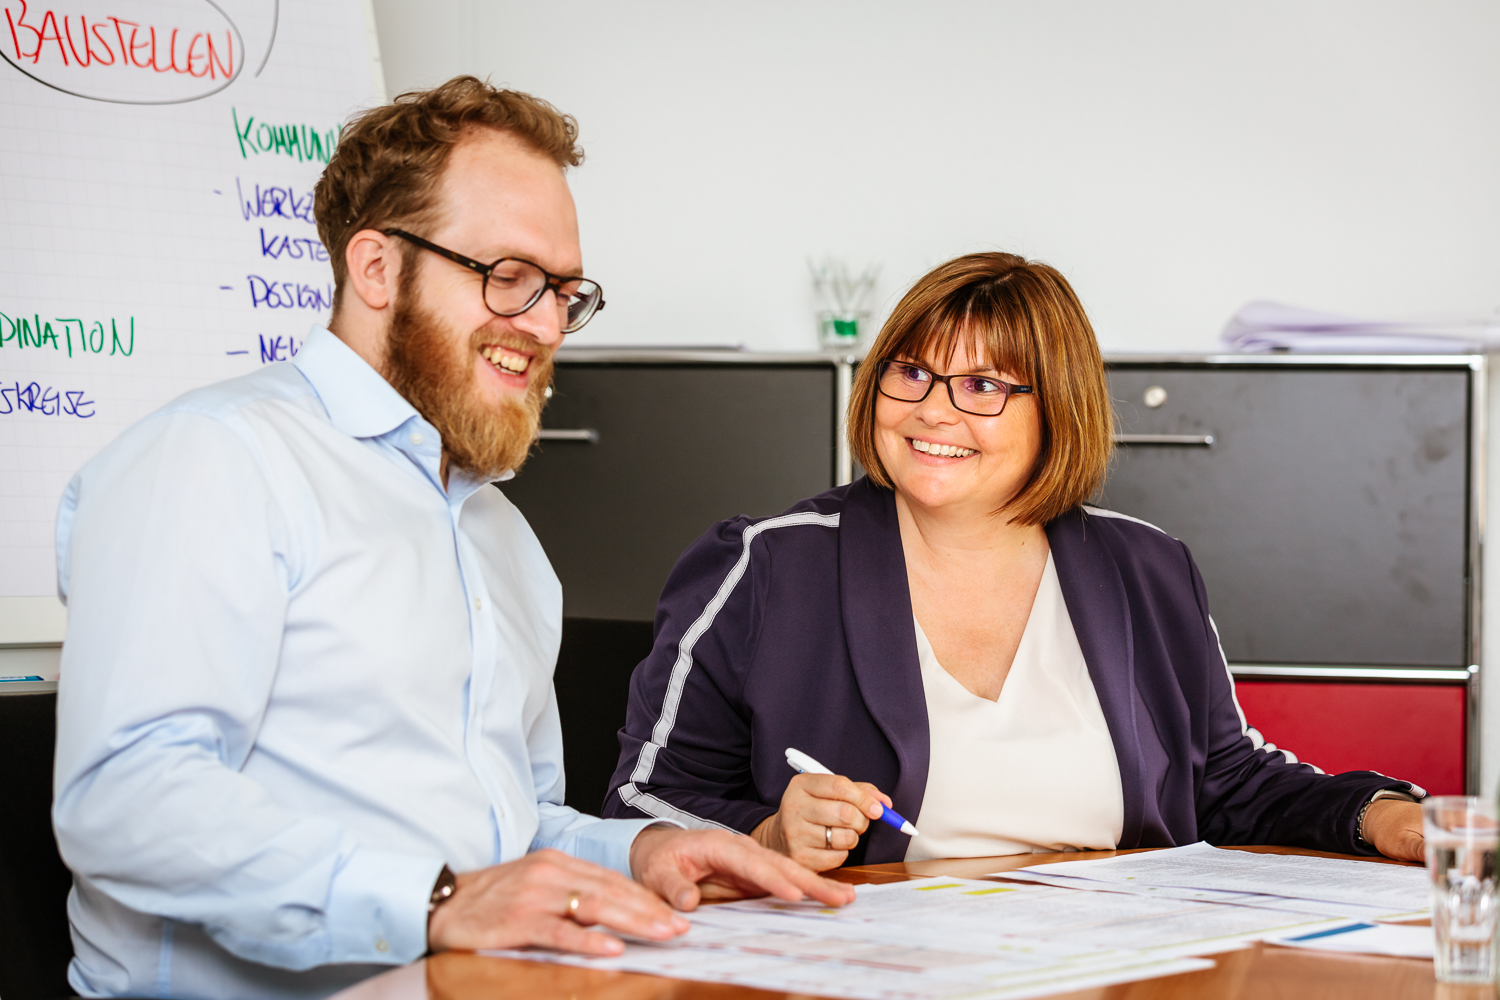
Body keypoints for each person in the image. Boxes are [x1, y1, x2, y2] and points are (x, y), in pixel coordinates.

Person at [50, 77, 851, 1000]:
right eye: (509, 277)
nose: (547, 325)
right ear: (378, 268)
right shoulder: (215, 460)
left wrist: (647, 851)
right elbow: (127, 802)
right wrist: (436, 901)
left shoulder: (500, 537)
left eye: (563, 291)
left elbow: (509, 831)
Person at [603, 252, 1426, 872]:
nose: (934, 410)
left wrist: (1378, 815)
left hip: (1110, 963)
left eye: (986, 385)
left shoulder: (1146, 568)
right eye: (913, 371)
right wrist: (767, 832)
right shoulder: (765, 567)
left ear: (1057, 409)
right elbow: (636, 800)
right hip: (875, 968)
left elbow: (1232, 782)